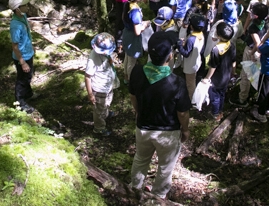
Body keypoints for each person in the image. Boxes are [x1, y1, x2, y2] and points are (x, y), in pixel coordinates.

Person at [129, 31, 191, 199]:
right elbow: (183, 112)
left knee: (141, 159)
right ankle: (158, 197)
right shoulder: (177, 82)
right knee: (165, 167)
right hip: (168, 132)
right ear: (170, 56)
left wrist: (138, 112)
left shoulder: (136, 72)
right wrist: (185, 130)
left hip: (143, 127)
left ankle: (135, 189)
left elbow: (133, 96)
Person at [231, 2, 269, 108]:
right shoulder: (265, 22)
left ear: (255, 15)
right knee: (256, 73)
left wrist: (252, 53)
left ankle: (242, 99)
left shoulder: (253, 27)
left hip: (252, 50)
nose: (250, 13)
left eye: (252, 12)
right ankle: (254, 92)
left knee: (245, 75)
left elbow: (257, 43)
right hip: (262, 53)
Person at [201, 22, 236, 120]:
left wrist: (207, 78)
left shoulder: (216, 50)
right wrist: (233, 73)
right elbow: (234, 62)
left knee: (214, 96)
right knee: (222, 94)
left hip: (216, 78)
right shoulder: (231, 45)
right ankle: (220, 110)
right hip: (226, 75)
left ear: (219, 35)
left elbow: (213, 66)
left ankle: (215, 114)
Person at [85, 33, 118, 136]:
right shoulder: (93, 58)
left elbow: (107, 62)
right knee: (99, 109)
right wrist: (90, 94)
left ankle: (106, 113)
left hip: (108, 86)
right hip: (99, 89)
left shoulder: (106, 53)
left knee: (107, 101)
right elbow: (87, 76)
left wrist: (111, 60)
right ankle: (99, 127)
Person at [9, 0, 37, 114]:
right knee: (22, 79)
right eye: (24, 5)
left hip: (28, 53)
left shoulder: (23, 16)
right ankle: (20, 102)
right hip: (22, 57)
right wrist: (22, 62)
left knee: (28, 76)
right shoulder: (15, 25)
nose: (27, 6)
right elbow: (14, 46)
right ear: (17, 9)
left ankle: (28, 94)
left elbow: (27, 33)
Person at [122, 0, 152, 84]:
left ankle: (125, 76)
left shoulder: (127, 4)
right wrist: (146, 24)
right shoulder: (135, 11)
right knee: (132, 61)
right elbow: (137, 31)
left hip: (126, 33)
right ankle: (131, 81)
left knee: (127, 56)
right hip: (132, 38)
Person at [177, 14, 207, 100]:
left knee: (190, 83)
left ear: (191, 26)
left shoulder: (191, 39)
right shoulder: (201, 34)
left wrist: (179, 45)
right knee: (192, 79)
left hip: (190, 65)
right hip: (196, 61)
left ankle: (192, 99)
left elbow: (186, 53)